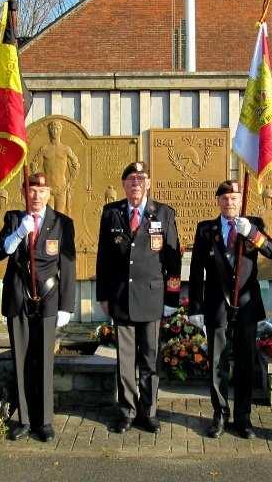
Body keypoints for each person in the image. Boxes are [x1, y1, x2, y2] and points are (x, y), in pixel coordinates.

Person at [188, 180, 272, 439]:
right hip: (217, 305)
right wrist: (196, 306)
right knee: (217, 362)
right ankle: (220, 414)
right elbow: (196, 271)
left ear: (241, 201)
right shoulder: (207, 229)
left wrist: (251, 233)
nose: (230, 203)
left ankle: (243, 417)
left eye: (235, 198)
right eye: (225, 198)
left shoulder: (254, 224)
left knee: (246, 363)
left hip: (247, 305)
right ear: (218, 201)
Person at [95, 161, 181, 434]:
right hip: (121, 298)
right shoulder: (112, 213)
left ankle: (149, 411)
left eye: (141, 178)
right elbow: (103, 258)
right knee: (125, 360)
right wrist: (103, 294)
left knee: (150, 358)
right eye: (131, 179)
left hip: (152, 297)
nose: (136, 183)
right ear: (124, 184)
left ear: (148, 183)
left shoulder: (163, 214)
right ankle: (127, 411)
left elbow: (173, 259)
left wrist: (172, 298)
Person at [0, 172, 76, 443]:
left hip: (49, 297)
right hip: (18, 295)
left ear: (49, 193)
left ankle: (45, 421)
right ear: (23, 192)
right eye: (31, 191)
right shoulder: (14, 219)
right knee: (21, 360)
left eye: (41, 191)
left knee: (44, 361)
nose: (36, 196)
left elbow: (68, 266)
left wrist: (66, 305)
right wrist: (19, 232)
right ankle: (24, 420)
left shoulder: (62, 223)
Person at [30, 119, 80, 215]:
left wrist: (70, 183)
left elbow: (76, 166)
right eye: (52, 129)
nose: (55, 131)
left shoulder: (66, 149)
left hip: (61, 187)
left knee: (59, 216)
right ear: (49, 131)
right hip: (48, 188)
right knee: (48, 216)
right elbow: (34, 165)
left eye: (57, 129)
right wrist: (40, 184)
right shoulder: (44, 149)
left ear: (60, 131)